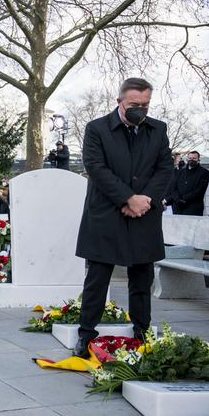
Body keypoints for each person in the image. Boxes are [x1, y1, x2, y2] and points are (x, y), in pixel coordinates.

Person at [74, 77, 173, 358]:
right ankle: (86, 334)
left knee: (142, 279)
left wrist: (145, 201)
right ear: (120, 102)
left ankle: (142, 332)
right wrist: (127, 198)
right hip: (107, 213)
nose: (140, 109)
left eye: (145, 105)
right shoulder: (97, 129)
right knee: (97, 278)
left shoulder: (157, 130)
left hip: (144, 214)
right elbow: (96, 167)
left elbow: (164, 169)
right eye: (134, 105)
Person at [163, 150, 209, 216]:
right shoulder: (180, 172)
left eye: (194, 158)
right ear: (187, 159)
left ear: (198, 159)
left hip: (193, 207)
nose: (191, 160)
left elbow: (199, 190)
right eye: (190, 158)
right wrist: (177, 199)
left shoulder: (204, 172)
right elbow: (173, 188)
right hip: (178, 206)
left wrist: (183, 199)